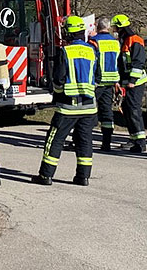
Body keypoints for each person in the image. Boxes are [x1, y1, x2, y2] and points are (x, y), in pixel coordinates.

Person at [32, 16, 99, 186]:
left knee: (54, 140)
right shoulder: (92, 50)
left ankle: (46, 175)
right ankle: (83, 177)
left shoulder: (65, 52)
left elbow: (58, 80)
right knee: (85, 141)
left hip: (68, 107)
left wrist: (58, 93)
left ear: (68, 33)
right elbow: (96, 76)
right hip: (89, 107)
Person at [113, 14, 147, 153]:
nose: (115, 30)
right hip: (128, 82)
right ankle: (134, 138)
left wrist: (132, 81)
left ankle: (140, 142)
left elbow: (138, 62)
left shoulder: (135, 40)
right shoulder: (125, 40)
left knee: (134, 111)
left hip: (136, 82)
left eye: (116, 27)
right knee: (128, 110)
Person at [90, 19, 122, 151]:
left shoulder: (94, 41)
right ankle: (106, 143)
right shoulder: (116, 42)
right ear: (108, 28)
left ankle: (79, 140)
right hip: (111, 81)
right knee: (107, 112)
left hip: (98, 82)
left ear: (97, 26)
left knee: (89, 111)